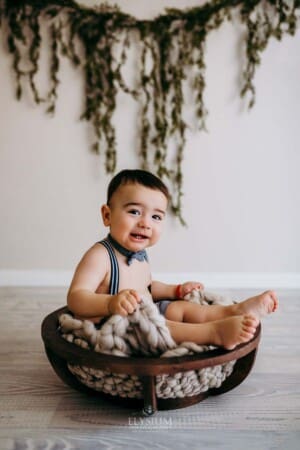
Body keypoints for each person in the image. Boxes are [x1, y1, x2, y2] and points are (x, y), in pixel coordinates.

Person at [67, 169, 278, 350]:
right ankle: (214, 333)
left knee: (182, 309)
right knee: (167, 328)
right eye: (134, 211)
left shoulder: (141, 255)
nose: (145, 223)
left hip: (149, 315)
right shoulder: (100, 255)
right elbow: (76, 298)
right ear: (107, 215)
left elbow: (147, 288)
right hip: (119, 327)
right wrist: (111, 302)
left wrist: (174, 291)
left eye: (156, 217)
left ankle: (232, 310)